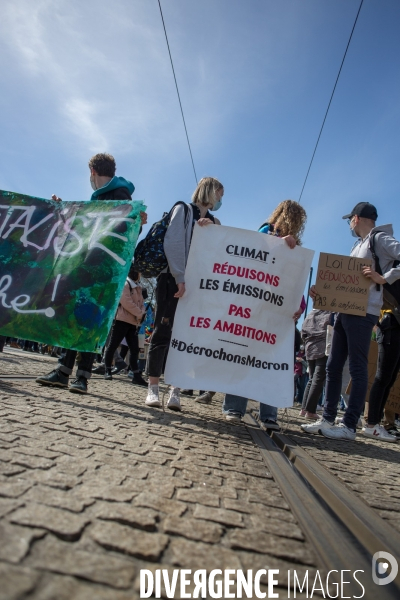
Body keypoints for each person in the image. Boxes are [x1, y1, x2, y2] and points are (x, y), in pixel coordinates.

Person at [36, 153, 145, 394]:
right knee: (77, 319)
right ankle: (66, 372)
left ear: (92, 173)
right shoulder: (106, 196)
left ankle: (79, 376)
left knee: (86, 320)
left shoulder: (117, 195)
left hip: (99, 272)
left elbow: (119, 235)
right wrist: (63, 210)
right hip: (88, 267)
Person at [303, 202, 400, 440]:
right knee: (333, 366)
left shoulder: (381, 239)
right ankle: (327, 419)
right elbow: (346, 283)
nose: (349, 224)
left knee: (357, 368)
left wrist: (383, 278)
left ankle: (349, 425)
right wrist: (323, 293)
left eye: (350, 220)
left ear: (356, 218)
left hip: (364, 311)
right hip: (344, 312)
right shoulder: (358, 245)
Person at [222, 199, 307, 427]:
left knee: (272, 361)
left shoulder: (297, 247)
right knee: (243, 355)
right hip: (255, 307)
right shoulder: (265, 232)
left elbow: (295, 283)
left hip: (277, 312)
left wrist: (300, 307)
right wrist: (281, 243)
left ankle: (269, 414)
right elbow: (254, 258)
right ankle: (234, 408)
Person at [145, 177, 223, 411]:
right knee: (163, 331)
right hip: (172, 280)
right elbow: (173, 243)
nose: (221, 200)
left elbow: (219, 253)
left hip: (197, 285)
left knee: (186, 337)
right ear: (210, 192)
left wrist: (210, 233)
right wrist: (180, 277)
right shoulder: (182, 210)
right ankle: (153, 387)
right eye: (220, 194)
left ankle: (175, 390)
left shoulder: (215, 221)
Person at [103, 266, 146, 385]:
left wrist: (141, 313)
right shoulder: (126, 284)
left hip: (133, 322)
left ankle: (136, 374)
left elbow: (142, 303)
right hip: (121, 320)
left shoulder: (138, 287)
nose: (140, 275)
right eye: (139, 272)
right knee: (113, 345)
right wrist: (140, 313)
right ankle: (108, 370)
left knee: (134, 349)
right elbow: (126, 302)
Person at [300, 309, 331, 419]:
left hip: (310, 347)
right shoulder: (330, 312)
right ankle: (310, 411)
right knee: (318, 379)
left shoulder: (311, 313)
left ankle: (304, 408)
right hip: (322, 346)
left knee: (312, 379)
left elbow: (303, 331)